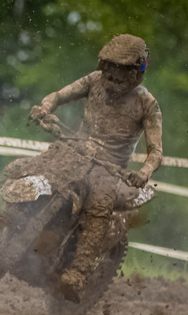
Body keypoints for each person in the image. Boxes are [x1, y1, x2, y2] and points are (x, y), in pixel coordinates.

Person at [26, 33, 163, 298]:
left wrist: (144, 172)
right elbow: (59, 95)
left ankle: (77, 273)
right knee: (30, 168)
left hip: (109, 167)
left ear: (137, 72)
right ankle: (10, 222)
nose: (112, 80)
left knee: (100, 205)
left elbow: (156, 151)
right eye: (110, 72)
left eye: (120, 74)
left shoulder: (147, 104)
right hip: (75, 150)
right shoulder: (93, 81)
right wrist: (44, 108)